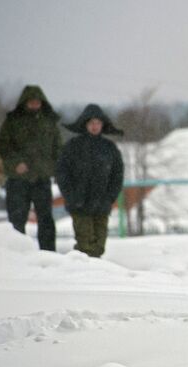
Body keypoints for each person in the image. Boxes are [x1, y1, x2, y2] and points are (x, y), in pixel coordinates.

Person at [56, 104, 124, 258]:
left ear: (102, 125)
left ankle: (95, 277)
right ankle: (83, 276)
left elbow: (117, 175)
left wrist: (109, 198)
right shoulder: (73, 146)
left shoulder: (109, 148)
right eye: (91, 123)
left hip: (102, 205)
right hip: (79, 204)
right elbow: (62, 173)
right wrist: (71, 197)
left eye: (98, 123)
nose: (95, 126)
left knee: (99, 247)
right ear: (85, 124)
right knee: (85, 246)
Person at [0, 85, 61, 251]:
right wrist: (15, 164)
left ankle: (49, 255)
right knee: (16, 221)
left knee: (46, 220)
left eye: (37, 101)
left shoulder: (49, 121)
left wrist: (52, 169)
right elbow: (3, 148)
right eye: (31, 101)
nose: (34, 104)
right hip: (18, 180)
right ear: (24, 102)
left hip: (41, 179)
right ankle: (16, 255)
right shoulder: (13, 121)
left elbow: (58, 149)